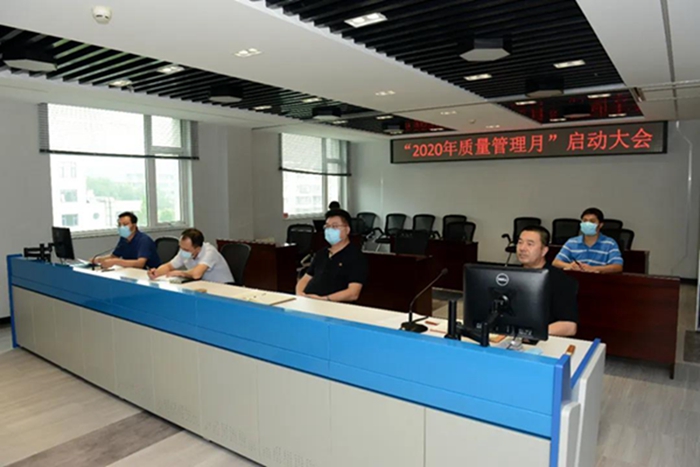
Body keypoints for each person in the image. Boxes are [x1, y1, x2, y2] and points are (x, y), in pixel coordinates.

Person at [517, 225, 578, 337]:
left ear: (544, 251)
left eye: (530, 244)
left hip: (544, 339)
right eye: (520, 242)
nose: (522, 248)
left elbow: (570, 327)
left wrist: (530, 333)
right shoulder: (511, 276)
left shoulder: (560, 280)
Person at [296, 208, 367, 302]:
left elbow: (353, 293)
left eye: (334, 226)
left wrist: (325, 299)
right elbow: (305, 279)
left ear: (347, 230)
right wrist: (300, 294)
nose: (329, 230)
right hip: (309, 302)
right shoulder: (321, 253)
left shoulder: (355, 257)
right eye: (327, 226)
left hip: (333, 304)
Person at [148, 228, 234, 283]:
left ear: (198, 248)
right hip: (203, 286)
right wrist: (156, 272)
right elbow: (169, 266)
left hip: (223, 288)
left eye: (186, 250)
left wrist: (180, 273)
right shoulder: (185, 251)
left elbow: (197, 274)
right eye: (181, 247)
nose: (182, 251)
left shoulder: (209, 252)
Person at [552, 207, 623, 274]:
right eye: (585, 221)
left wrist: (593, 269)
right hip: (575, 279)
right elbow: (556, 262)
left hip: (599, 280)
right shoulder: (572, 242)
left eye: (592, 221)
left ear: (600, 225)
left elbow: (618, 267)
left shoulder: (610, 243)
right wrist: (570, 266)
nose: (587, 224)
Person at [92, 211, 161, 269]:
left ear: (134, 225)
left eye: (125, 225)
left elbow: (140, 264)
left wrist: (116, 261)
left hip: (150, 273)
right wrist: (98, 260)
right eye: (119, 225)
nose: (122, 227)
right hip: (131, 272)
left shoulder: (144, 240)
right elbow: (114, 256)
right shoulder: (124, 239)